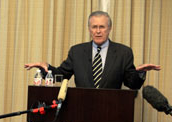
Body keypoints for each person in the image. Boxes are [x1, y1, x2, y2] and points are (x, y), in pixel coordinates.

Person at [24, 11, 161, 89]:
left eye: (102, 27)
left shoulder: (123, 52)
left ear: (109, 29)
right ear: (89, 29)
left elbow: (132, 84)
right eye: (94, 27)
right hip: (80, 111)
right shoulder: (76, 51)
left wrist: (140, 72)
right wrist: (45, 67)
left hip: (112, 112)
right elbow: (61, 74)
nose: (98, 31)